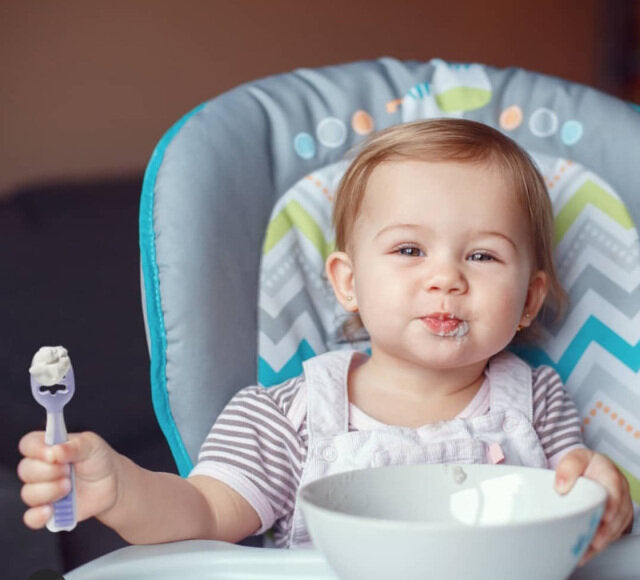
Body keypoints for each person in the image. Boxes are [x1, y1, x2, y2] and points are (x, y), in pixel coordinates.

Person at [18, 119, 632, 564]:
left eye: (482, 254)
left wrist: (604, 496)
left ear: (528, 300)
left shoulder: (536, 400)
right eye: (409, 249)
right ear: (349, 282)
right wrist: (121, 490)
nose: (446, 277)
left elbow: (578, 525)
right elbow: (202, 513)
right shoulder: (287, 414)